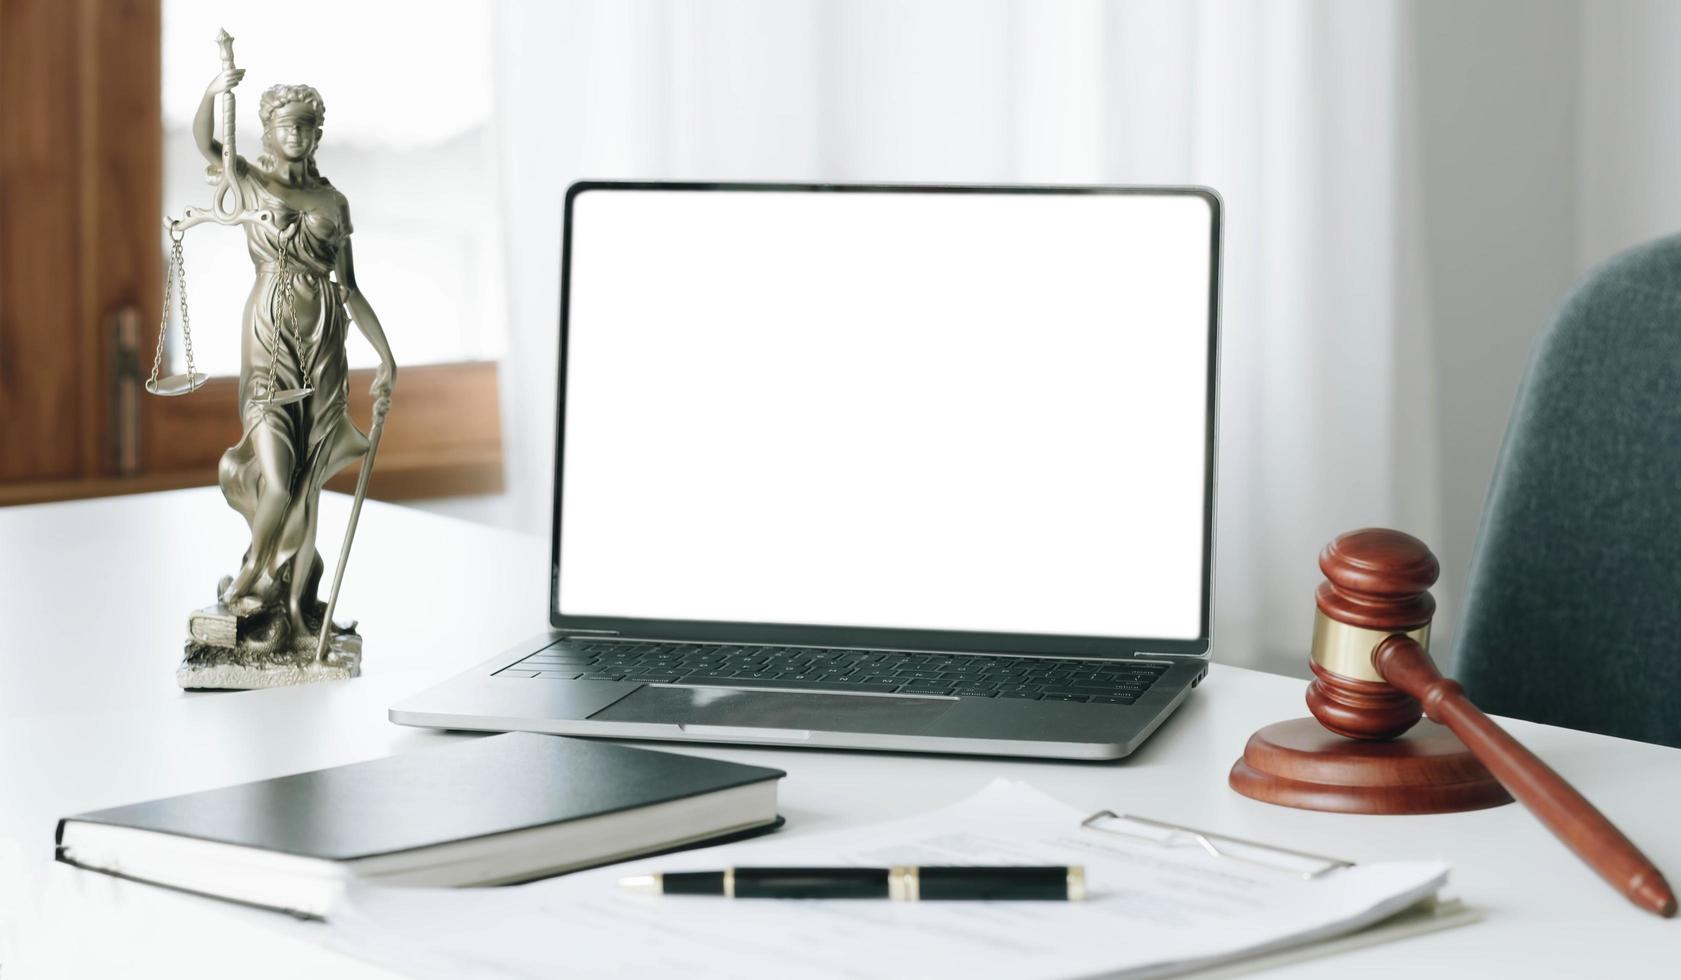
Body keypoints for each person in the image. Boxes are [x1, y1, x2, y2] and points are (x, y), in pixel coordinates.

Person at [193, 66, 395, 651]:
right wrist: (214, 91)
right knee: (278, 481)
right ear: (268, 131)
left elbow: (350, 287)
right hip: (267, 346)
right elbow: (207, 141)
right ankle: (250, 583)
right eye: (287, 125)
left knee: (307, 486)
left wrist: (386, 357)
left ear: (318, 133)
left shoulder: (334, 200)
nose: (298, 135)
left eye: (307, 126)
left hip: (325, 353)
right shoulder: (253, 182)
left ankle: (291, 600)